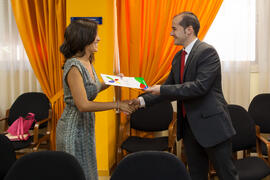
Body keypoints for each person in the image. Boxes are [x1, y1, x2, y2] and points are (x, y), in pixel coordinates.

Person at [131, 12, 238, 180]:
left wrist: (162, 90)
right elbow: (167, 88)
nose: (171, 33)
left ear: (189, 30)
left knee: (227, 175)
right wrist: (141, 101)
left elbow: (199, 87)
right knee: (195, 174)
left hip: (212, 127)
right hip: (189, 128)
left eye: (174, 29)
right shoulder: (178, 57)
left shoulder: (207, 52)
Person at [56, 19, 136, 180]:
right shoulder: (73, 66)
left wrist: (111, 81)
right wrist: (118, 104)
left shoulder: (87, 61)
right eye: (95, 35)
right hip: (72, 129)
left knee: (88, 171)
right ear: (84, 38)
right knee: (76, 174)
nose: (99, 38)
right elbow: (83, 105)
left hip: (85, 127)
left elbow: (90, 89)